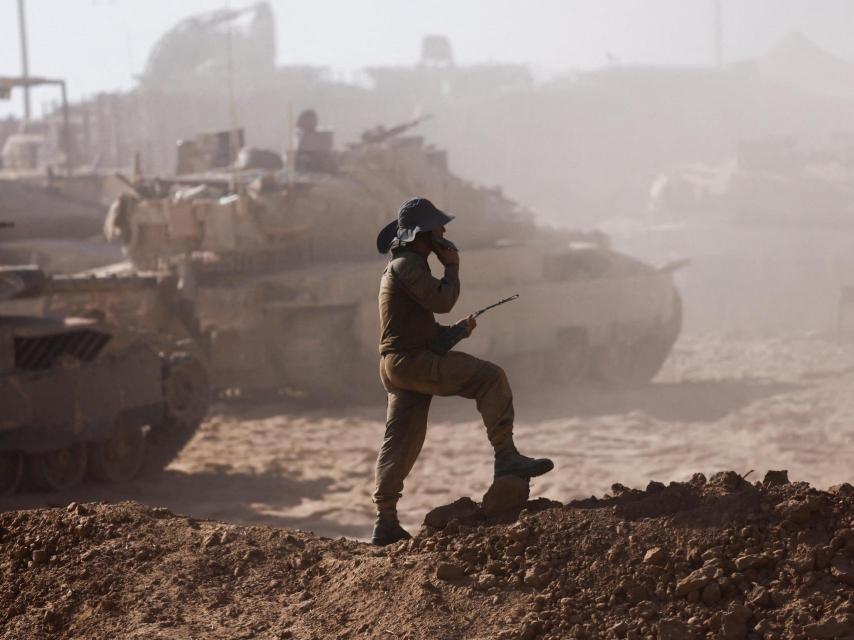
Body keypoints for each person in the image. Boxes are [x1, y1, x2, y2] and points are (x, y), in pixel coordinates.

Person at [371, 197, 554, 546]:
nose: (444, 232)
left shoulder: (403, 265)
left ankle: (386, 521)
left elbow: (417, 330)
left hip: (398, 364)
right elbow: (442, 300)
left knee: (402, 440)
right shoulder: (409, 265)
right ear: (423, 235)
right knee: (490, 378)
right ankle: (507, 458)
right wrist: (452, 266)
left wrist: (452, 332)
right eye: (438, 228)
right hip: (410, 362)